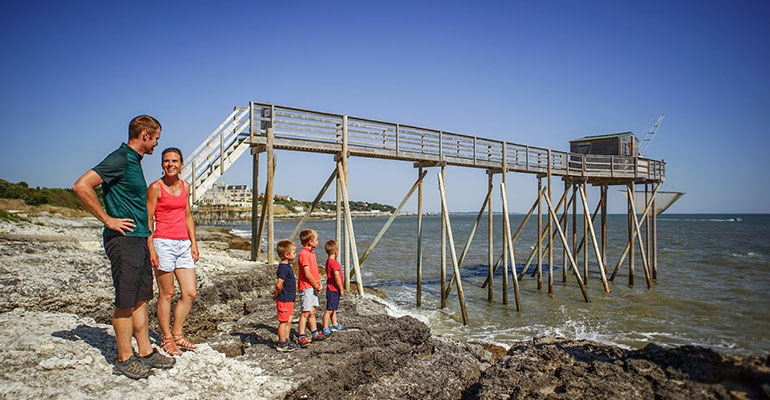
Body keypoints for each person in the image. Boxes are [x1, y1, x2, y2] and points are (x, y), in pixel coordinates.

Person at [73, 115, 175, 379]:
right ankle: (124, 357)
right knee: (126, 300)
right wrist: (108, 219)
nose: (156, 145)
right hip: (123, 241)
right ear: (145, 136)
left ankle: (145, 351)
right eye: (156, 139)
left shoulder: (134, 161)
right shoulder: (120, 157)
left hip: (139, 238)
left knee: (142, 298)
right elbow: (82, 185)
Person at [146, 147, 199, 356]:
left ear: (181, 164)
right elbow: (148, 219)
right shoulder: (155, 188)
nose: (170, 164)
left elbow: (187, 216)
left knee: (190, 292)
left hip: (183, 243)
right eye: (167, 161)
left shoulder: (186, 186)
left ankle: (178, 334)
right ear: (162, 164)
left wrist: (194, 243)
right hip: (163, 243)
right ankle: (166, 338)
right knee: (167, 293)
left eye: (175, 161)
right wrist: (151, 247)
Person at [296, 229, 327, 347]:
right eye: (316, 240)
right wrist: (315, 285)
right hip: (306, 287)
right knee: (305, 312)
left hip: (312, 287)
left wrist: (319, 284)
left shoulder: (311, 253)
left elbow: (315, 272)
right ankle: (301, 336)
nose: (318, 242)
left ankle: (314, 333)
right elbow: (307, 273)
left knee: (312, 311)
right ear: (310, 242)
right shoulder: (304, 254)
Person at [273, 239, 298, 352]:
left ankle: (286, 339)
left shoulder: (287, 265)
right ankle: (282, 342)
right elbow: (279, 284)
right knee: (283, 321)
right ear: (286, 255)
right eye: (294, 252)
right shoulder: (283, 268)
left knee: (289, 319)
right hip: (283, 298)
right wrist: (277, 294)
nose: (295, 254)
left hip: (289, 297)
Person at [321, 240, 345, 337]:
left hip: (331, 288)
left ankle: (334, 324)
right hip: (333, 289)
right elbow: (337, 276)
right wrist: (341, 289)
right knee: (329, 309)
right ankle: (325, 327)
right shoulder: (334, 263)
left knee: (333, 308)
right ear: (336, 252)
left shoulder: (328, 262)